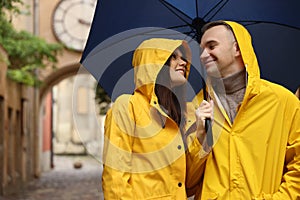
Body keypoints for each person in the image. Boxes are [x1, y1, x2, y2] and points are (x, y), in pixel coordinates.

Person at [185, 20, 300, 199]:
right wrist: (200, 139)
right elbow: (188, 184)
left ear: (237, 49)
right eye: (201, 49)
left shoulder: (282, 101)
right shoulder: (196, 106)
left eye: (211, 46)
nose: (203, 55)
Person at [102, 38, 194, 199]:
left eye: (183, 58)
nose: (183, 62)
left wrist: (202, 133)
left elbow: (188, 181)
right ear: (153, 64)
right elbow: (115, 177)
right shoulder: (127, 107)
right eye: (173, 57)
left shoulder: (181, 113)